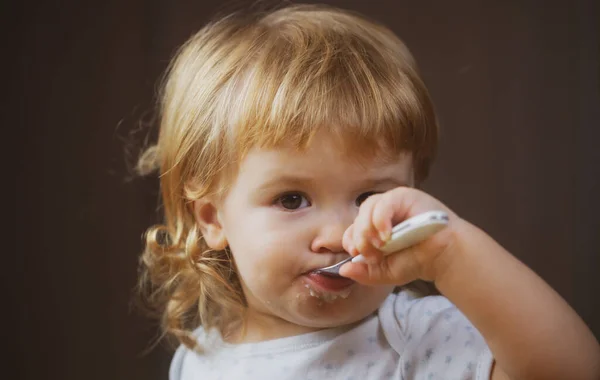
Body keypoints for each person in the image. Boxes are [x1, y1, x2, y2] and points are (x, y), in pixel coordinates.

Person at [135, 4, 600, 379]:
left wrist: (452, 254)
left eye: (366, 199)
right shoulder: (200, 359)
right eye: (292, 199)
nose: (339, 234)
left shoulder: (415, 336)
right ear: (212, 217)